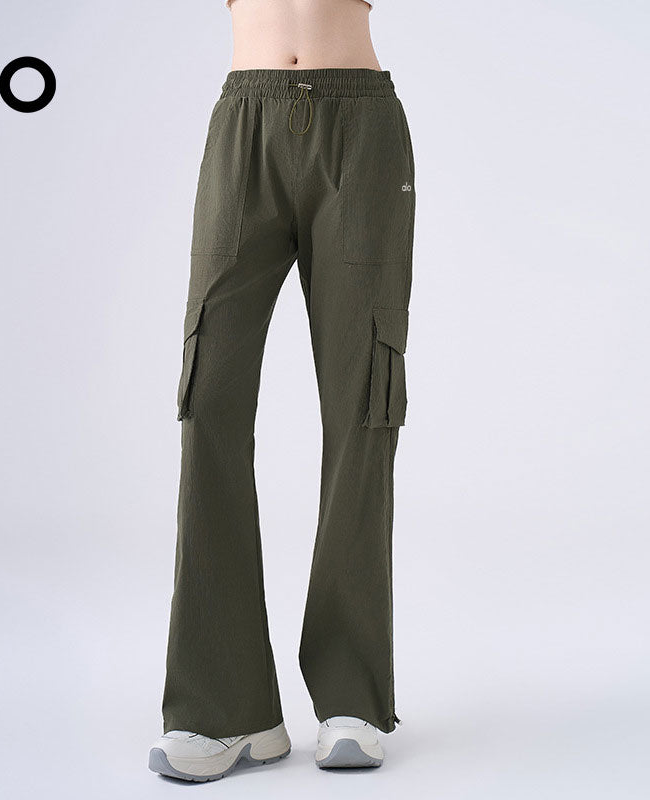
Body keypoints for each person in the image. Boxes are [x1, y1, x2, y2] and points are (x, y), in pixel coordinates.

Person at [148, 0, 415, 781]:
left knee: (362, 403)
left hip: (360, 127)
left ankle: (352, 697)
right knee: (208, 397)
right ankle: (227, 709)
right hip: (245, 123)